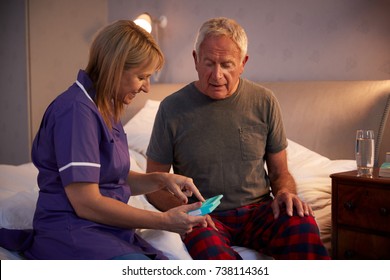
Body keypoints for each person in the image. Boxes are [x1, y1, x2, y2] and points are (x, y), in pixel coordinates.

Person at [146, 17, 330, 260]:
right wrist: (185, 212)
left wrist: (286, 192)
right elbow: (153, 183)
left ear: (243, 63)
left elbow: (279, 173)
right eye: (209, 63)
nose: (217, 75)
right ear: (195, 59)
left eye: (227, 64)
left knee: (302, 224)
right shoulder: (171, 108)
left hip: (259, 212)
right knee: (213, 255)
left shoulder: (264, 101)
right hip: (203, 215)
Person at [23, 20, 209, 260]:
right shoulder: (76, 112)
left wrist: (159, 180)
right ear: (115, 67)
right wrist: (163, 220)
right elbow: (86, 202)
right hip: (74, 232)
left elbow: (109, 178)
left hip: (103, 229)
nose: (146, 88)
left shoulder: (104, 106)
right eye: (142, 77)